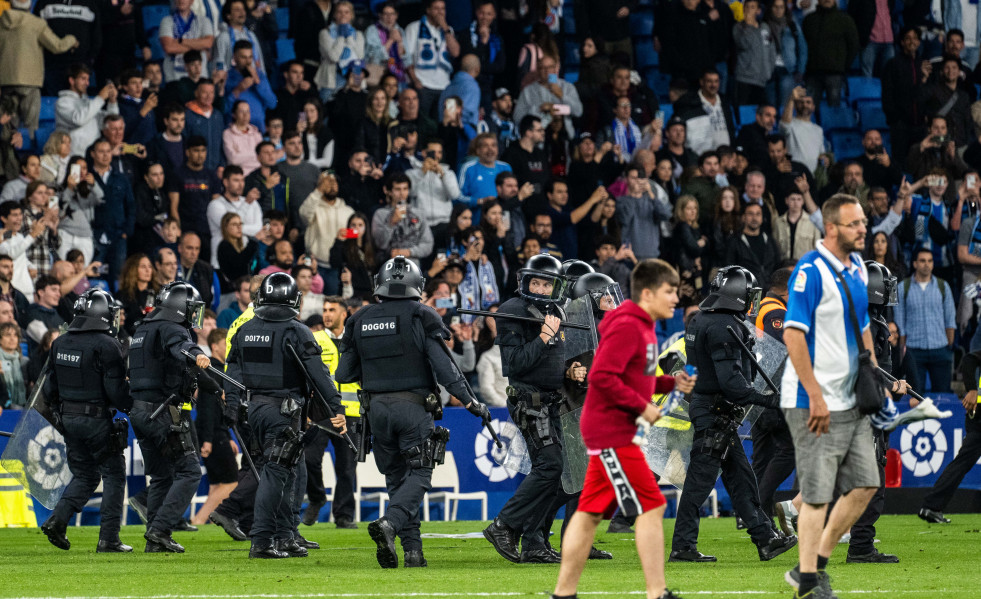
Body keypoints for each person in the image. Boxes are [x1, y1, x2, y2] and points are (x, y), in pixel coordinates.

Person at [551, 260, 695, 599]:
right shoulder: (629, 325)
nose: (676, 299)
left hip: (614, 430)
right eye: (669, 291)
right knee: (652, 505)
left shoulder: (641, 325)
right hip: (612, 431)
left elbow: (635, 377)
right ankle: (657, 592)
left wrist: (669, 382)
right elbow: (602, 377)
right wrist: (641, 406)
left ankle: (564, 592)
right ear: (648, 293)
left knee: (588, 515)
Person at [335, 256, 487, 568]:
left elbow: (343, 373)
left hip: (376, 410)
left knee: (396, 479)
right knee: (420, 472)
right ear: (417, 285)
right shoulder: (421, 314)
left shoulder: (359, 318)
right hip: (413, 407)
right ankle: (390, 523)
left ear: (379, 284)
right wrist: (471, 402)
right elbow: (446, 369)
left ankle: (412, 552)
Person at [781, 194, 880, 599]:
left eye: (864, 222)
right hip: (812, 401)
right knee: (817, 495)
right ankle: (808, 583)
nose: (863, 229)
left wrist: (873, 375)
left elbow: (864, 325)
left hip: (850, 399)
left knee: (865, 485)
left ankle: (814, 564)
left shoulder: (857, 268)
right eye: (855, 223)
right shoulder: (810, 270)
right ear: (832, 228)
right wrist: (815, 395)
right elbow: (792, 334)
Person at [671, 266, 796, 563]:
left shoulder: (702, 319)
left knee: (742, 479)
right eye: (749, 295)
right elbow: (733, 385)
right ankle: (683, 546)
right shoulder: (724, 326)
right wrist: (771, 400)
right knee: (700, 481)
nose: (752, 301)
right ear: (738, 294)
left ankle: (765, 540)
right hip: (716, 412)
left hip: (714, 411)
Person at [223, 271, 346, 559]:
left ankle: (285, 535)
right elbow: (319, 375)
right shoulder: (296, 331)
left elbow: (232, 372)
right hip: (284, 410)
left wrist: (231, 408)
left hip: (254, 409)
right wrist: (336, 407)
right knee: (276, 473)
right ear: (292, 299)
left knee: (289, 471)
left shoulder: (245, 330)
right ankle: (262, 540)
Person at [483, 253, 584, 563]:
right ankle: (503, 524)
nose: (540, 289)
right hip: (528, 400)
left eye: (546, 284)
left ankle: (534, 543)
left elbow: (548, 362)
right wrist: (543, 336)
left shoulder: (555, 310)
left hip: (551, 400)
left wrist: (568, 371)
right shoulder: (513, 310)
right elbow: (514, 364)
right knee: (549, 466)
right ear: (524, 282)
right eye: (535, 283)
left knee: (555, 471)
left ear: (556, 287)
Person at [38, 289, 130, 552]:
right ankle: (109, 539)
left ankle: (57, 520)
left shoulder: (60, 342)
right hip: (96, 420)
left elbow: (48, 389)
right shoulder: (107, 344)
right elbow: (116, 393)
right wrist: (132, 403)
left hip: (68, 420)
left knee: (86, 475)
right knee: (114, 474)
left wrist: (61, 416)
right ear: (101, 314)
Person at [128, 281, 212, 553]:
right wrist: (197, 354)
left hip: (140, 411)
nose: (194, 315)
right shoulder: (172, 328)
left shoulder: (143, 328)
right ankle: (161, 530)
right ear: (179, 307)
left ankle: (155, 541)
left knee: (161, 476)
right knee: (189, 472)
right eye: (192, 308)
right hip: (162, 411)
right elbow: (181, 346)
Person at [302, 295, 359, 529]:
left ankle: (344, 515)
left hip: (352, 412)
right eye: (325, 310)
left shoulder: (356, 341)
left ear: (344, 314)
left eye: (332, 310)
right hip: (321, 411)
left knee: (347, 468)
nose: (326, 314)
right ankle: (317, 497)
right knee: (309, 459)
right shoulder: (314, 339)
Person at [0, 0, 77, 138]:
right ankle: (29, 151)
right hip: (30, 83)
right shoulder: (36, 24)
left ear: (11, 4)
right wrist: (72, 39)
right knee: (30, 131)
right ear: (30, 6)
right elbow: (57, 46)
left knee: (8, 131)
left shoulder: (1, 23)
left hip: (5, 83)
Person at [894, 249, 956, 393]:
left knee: (943, 395)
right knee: (915, 395)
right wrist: (903, 348)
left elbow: (950, 318)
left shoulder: (943, 286)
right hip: (914, 349)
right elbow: (899, 319)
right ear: (915, 264)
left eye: (930, 261)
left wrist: (949, 344)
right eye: (922, 261)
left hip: (940, 348)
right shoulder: (903, 288)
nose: (926, 264)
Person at [403, 0, 461, 117]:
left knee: (444, 122)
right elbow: (406, 57)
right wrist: (415, 80)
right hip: (423, 85)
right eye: (436, 8)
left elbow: (455, 53)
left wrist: (445, 28)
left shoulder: (448, 30)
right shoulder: (414, 27)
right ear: (428, 10)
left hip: (444, 86)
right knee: (423, 122)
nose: (440, 12)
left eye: (442, 9)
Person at [158, 0, 215, 83]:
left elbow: (208, 43)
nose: (181, 0)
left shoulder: (204, 21)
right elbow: (169, 47)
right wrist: (198, 46)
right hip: (174, 74)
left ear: (192, 1)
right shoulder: (167, 21)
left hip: (199, 73)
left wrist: (180, 41)